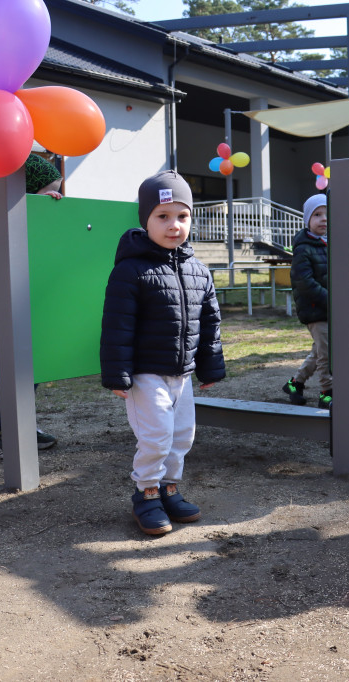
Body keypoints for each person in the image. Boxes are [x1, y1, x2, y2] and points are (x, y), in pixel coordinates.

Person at [100, 170, 225, 536]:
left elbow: (210, 323)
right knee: (155, 435)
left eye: (182, 216)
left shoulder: (199, 270)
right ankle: (147, 492)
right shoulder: (131, 270)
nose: (174, 225)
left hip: (182, 374)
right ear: (146, 220)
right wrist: (118, 375)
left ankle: (170, 489)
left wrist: (210, 367)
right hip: (145, 372)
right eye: (163, 216)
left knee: (182, 435)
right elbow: (117, 325)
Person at [0, 154, 64, 459]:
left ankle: (19, 422)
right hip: (4, 301)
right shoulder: (3, 210)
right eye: (49, 191)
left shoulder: (41, 219)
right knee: (5, 369)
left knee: (32, 366)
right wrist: (33, 209)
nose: (57, 196)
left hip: (34, 299)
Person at [282, 193, 331, 409]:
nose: (324, 219)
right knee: (327, 354)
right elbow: (304, 282)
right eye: (317, 214)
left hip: (331, 308)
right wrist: (332, 301)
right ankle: (328, 393)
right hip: (316, 310)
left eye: (328, 214)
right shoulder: (303, 248)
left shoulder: (330, 244)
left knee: (320, 351)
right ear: (308, 220)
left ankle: (294, 384)